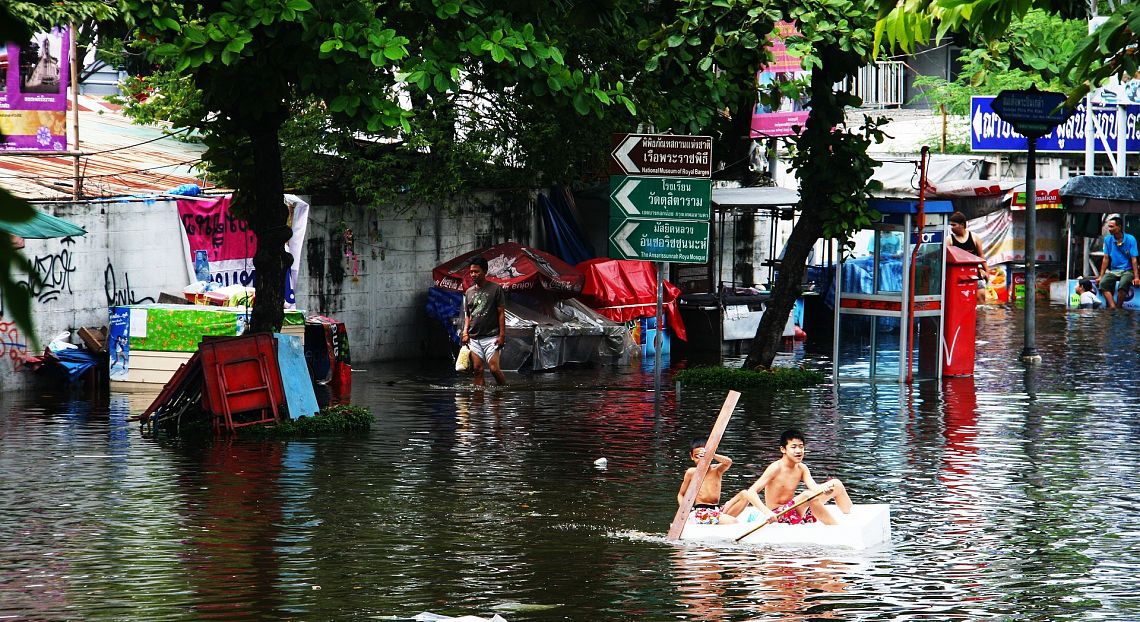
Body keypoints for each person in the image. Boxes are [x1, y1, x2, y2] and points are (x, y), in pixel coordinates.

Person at [722, 428, 852, 525]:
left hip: (795, 510)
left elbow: (814, 488)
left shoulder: (802, 468)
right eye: (794, 447)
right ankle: (835, 528)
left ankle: (850, 515)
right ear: (783, 449)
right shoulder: (776, 467)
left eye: (801, 447)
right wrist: (768, 513)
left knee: (836, 484)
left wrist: (825, 490)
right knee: (807, 495)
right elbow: (751, 492)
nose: (798, 451)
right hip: (779, 514)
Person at [461, 257, 507, 386]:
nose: (473, 275)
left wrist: (502, 335)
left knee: (494, 369)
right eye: (471, 272)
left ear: (485, 271)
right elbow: (468, 316)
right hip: (474, 338)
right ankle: (478, 403)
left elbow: (501, 313)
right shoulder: (469, 292)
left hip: (492, 336)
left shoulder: (495, 289)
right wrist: (465, 333)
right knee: (477, 369)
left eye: (476, 271)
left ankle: (503, 393)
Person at [677, 438, 738, 525]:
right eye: (697, 457)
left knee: (744, 495)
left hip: (716, 509)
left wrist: (712, 454)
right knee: (733, 521)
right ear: (691, 456)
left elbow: (728, 462)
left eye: (703, 456)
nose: (700, 459)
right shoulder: (691, 472)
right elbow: (680, 494)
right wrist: (684, 510)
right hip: (701, 512)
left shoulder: (716, 469)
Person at [1096, 216, 1140, 309]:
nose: (1109, 229)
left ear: (1119, 227)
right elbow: (1106, 258)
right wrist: (1101, 276)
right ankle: (1113, 307)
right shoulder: (1108, 239)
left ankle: (1119, 307)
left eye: (1112, 227)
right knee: (1103, 283)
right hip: (1114, 270)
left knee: (1123, 284)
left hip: (1127, 270)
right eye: (1109, 227)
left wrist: (1136, 277)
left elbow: (1134, 259)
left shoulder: (1131, 239)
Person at [949, 211, 990, 300]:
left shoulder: (974, 237)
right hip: (958, 275)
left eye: (953, 225)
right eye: (951, 225)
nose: (951, 228)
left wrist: (987, 271)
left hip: (974, 272)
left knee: (981, 295)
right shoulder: (949, 240)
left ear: (962, 225)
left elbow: (981, 255)